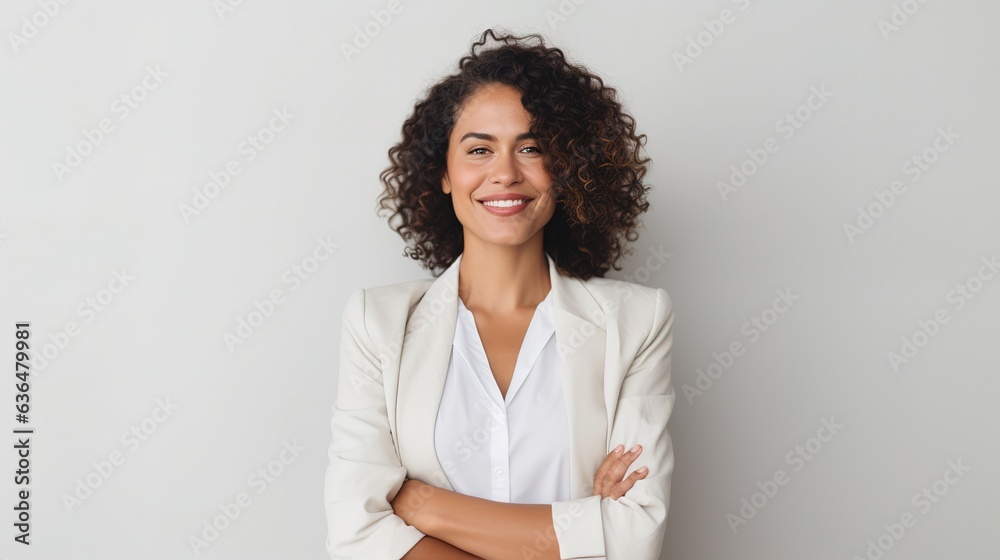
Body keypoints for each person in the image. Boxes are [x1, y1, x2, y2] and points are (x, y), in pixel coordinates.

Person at [325, 28, 676, 560]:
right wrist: (584, 525)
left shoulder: (637, 322)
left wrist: (423, 506)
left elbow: (633, 538)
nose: (505, 173)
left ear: (567, 170)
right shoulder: (379, 322)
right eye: (479, 149)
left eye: (532, 148)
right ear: (443, 172)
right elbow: (356, 535)